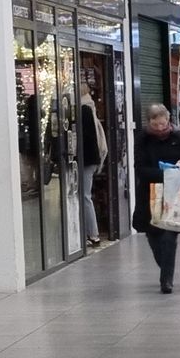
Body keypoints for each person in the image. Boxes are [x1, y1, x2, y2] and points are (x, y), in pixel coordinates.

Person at [133, 104, 180, 294]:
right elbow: (140, 169)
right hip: (150, 193)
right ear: (149, 122)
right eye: (155, 124)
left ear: (168, 120)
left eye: (163, 123)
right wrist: (165, 173)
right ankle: (165, 266)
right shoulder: (143, 140)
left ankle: (166, 280)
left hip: (174, 195)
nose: (160, 128)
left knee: (169, 236)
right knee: (154, 237)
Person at [77, 96, 108, 246]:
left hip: (86, 161)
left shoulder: (84, 110)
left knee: (84, 196)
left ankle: (93, 234)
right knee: (84, 196)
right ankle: (90, 233)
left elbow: (86, 139)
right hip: (91, 161)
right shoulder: (90, 109)